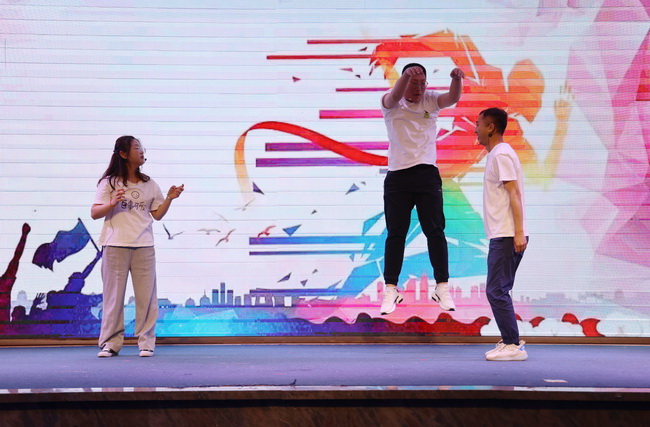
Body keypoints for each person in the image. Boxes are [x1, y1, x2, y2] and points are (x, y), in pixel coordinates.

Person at [379, 63, 464, 315]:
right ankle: (391, 289)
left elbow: (452, 98)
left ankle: (442, 287)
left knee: (435, 231)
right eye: (413, 83)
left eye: (422, 83)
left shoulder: (430, 100)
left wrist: (456, 80)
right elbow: (394, 95)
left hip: (426, 174)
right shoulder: (390, 103)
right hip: (398, 176)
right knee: (396, 233)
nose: (418, 88)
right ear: (403, 82)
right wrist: (406, 76)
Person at [91, 136, 184, 357]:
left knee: (147, 298)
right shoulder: (109, 182)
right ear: (123, 154)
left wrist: (169, 198)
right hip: (115, 245)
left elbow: (157, 215)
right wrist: (112, 202)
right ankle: (111, 343)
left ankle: (146, 343)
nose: (141, 151)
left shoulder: (149, 184)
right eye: (136, 148)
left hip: (144, 246)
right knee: (113, 297)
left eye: (141, 148)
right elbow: (94, 213)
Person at [475, 108, 528, 361]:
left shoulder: (501, 154)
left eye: (478, 124)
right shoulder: (497, 155)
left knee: (496, 290)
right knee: (498, 289)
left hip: (507, 234)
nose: (475, 129)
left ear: (491, 128)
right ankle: (510, 341)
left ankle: (512, 345)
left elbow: (514, 193)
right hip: (504, 234)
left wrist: (518, 233)